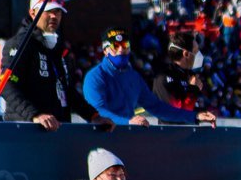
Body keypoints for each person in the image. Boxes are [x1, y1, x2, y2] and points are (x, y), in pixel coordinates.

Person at [1, 0, 113, 131]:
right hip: (27, 130)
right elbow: (6, 85)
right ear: (33, 13)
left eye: (58, 12)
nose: (54, 16)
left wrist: (93, 116)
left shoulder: (58, 46)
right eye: (48, 11)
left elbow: (66, 90)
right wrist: (35, 115)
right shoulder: (20, 44)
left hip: (58, 129)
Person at [83, 28, 219, 128]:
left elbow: (158, 107)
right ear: (105, 50)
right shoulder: (95, 77)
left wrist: (194, 116)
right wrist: (127, 122)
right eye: (116, 46)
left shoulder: (133, 77)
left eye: (125, 46)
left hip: (127, 138)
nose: (121, 51)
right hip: (103, 138)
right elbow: (98, 112)